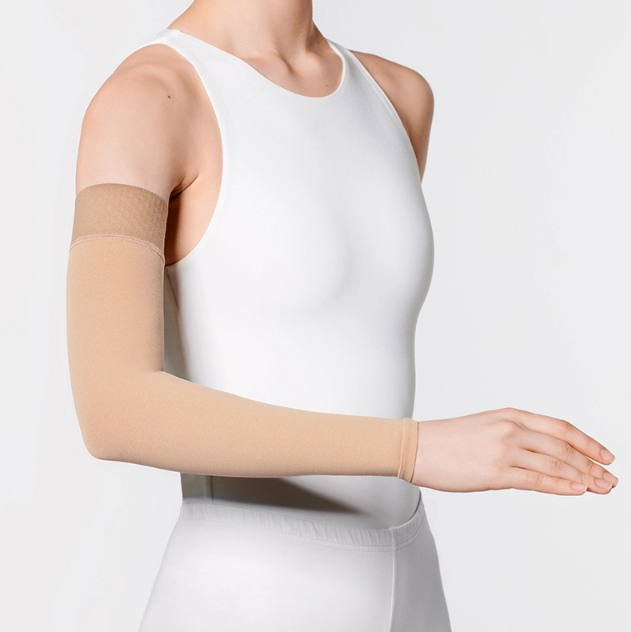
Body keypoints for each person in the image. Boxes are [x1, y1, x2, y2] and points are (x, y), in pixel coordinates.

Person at [66, 1, 618, 630]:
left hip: (413, 588)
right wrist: (411, 449)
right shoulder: (148, 100)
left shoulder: (397, 97)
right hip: (246, 596)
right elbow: (114, 409)